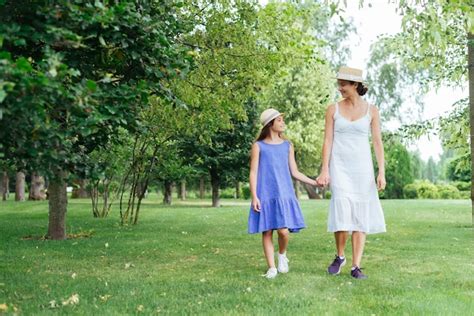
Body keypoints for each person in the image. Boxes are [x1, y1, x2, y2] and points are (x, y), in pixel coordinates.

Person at [316, 66, 386, 279]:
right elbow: (328, 140)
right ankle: (340, 256)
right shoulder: (333, 109)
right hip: (340, 167)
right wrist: (324, 169)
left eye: (343, 84)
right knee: (342, 211)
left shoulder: (372, 110)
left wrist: (381, 171)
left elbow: (377, 142)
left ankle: (356, 266)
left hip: (362, 169)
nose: (340, 88)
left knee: (360, 215)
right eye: (339, 84)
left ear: (355, 85)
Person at [248, 108, 318, 279]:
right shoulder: (259, 146)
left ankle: (282, 254)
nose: (283, 123)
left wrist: (314, 182)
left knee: (283, 231)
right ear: (270, 124)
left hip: (284, 193)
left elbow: (295, 172)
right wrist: (254, 196)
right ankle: (271, 267)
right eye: (279, 120)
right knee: (266, 231)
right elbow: (253, 172)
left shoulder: (288, 146)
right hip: (264, 194)